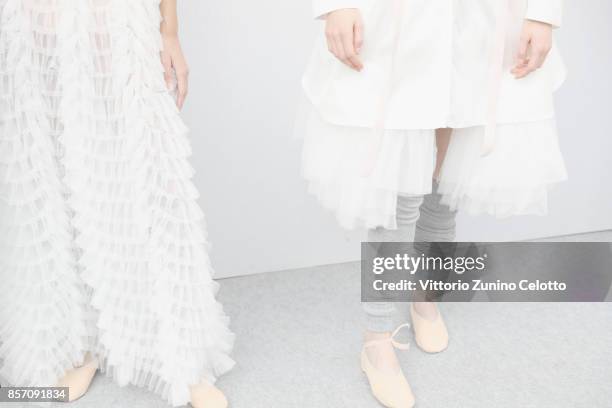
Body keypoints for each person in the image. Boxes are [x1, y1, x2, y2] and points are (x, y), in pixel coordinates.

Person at [301, 0, 566, 406]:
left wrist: (543, 12)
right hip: (398, 20)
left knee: (447, 174)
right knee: (402, 187)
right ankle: (377, 340)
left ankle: (425, 295)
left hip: (479, 19)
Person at [0, 1, 233, 406]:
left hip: (119, 15)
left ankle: (182, 357)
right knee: (48, 169)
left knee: (152, 173)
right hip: (30, 16)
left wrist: (169, 29)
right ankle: (77, 342)